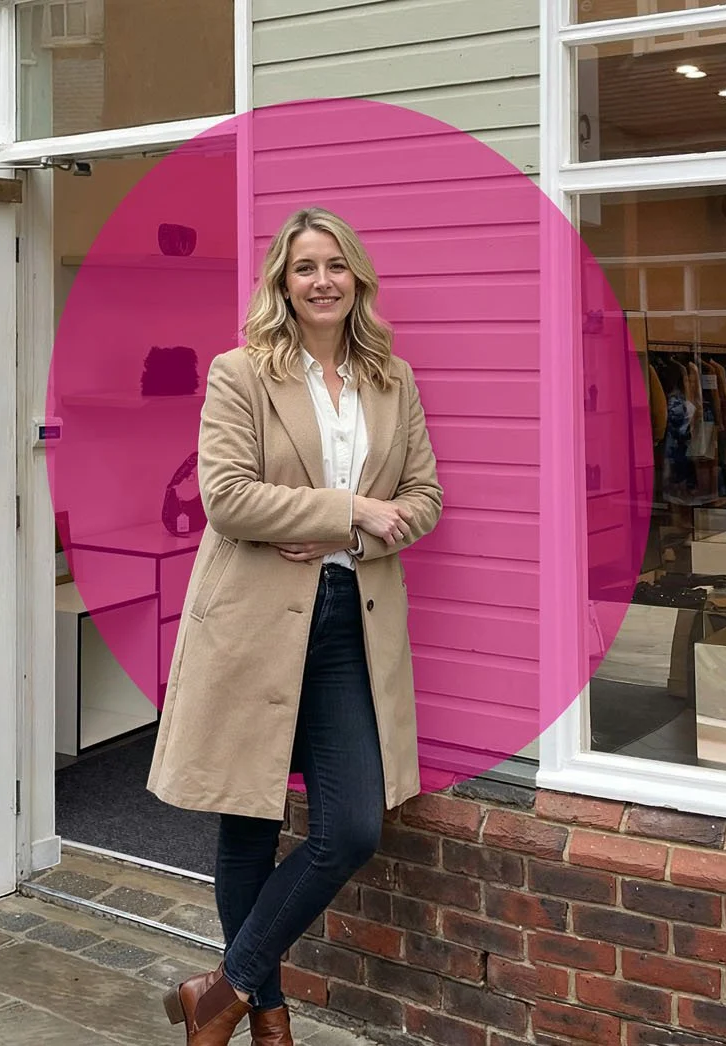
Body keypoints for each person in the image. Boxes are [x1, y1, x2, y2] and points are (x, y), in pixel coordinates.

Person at [151, 207, 443, 1046]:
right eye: (304, 267)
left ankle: (225, 989)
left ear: (358, 280)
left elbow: (422, 501)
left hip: (351, 619)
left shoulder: (394, 380)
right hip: (253, 621)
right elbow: (227, 496)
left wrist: (338, 529)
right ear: (283, 282)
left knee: (350, 828)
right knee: (248, 817)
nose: (322, 281)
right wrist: (351, 507)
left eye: (336, 266)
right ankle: (268, 1018)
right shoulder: (240, 373)